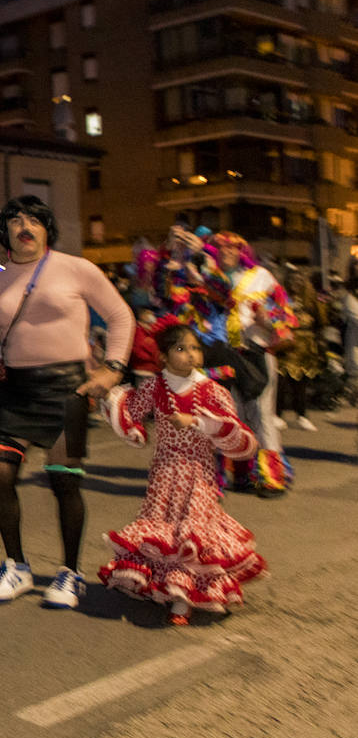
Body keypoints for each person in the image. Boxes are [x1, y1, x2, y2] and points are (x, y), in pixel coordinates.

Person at [0, 195, 133, 610]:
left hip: (68, 391)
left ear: (46, 228)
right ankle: (16, 566)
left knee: (64, 480)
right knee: (0, 476)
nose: (25, 226)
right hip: (14, 391)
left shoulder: (78, 268)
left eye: (34, 219)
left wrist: (112, 368)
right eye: (15, 220)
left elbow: (120, 316)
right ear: (4, 231)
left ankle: (70, 573)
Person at [98, 323, 266, 625]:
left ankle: (183, 597)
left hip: (199, 473)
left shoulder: (213, 391)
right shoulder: (154, 387)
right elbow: (128, 411)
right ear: (162, 356)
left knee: (191, 533)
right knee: (166, 531)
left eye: (195, 348)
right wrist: (132, 430)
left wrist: (198, 422)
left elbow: (233, 432)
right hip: (164, 473)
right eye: (181, 349)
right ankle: (170, 588)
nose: (191, 355)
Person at [213, 231, 296, 496]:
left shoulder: (261, 276)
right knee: (232, 413)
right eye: (220, 248)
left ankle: (272, 477)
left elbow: (286, 311)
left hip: (258, 353)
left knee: (261, 414)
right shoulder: (210, 279)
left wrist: (267, 319)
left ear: (241, 251)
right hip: (226, 356)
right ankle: (241, 473)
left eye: (230, 247)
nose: (225, 251)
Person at [276, 269, 324, 432]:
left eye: (299, 280)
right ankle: (277, 415)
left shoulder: (310, 302)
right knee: (281, 384)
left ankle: (301, 416)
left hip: (305, 350)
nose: (295, 283)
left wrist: (317, 344)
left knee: (300, 385)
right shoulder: (280, 300)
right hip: (285, 348)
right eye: (292, 280)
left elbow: (320, 324)